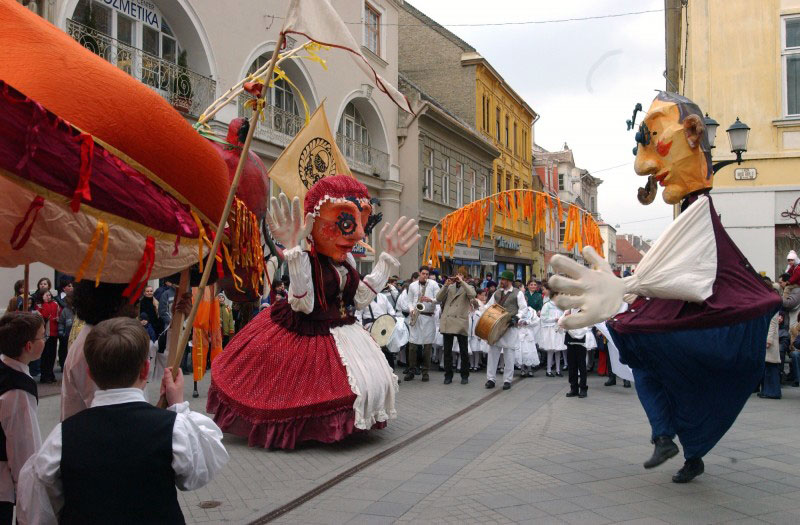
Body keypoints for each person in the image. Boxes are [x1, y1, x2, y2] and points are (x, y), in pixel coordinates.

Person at [550, 91, 781, 483]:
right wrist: (629, 290)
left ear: (691, 137)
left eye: (655, 144)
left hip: (704, 324)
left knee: (661, 368)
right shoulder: (690, 216)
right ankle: (669, 439)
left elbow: (692, 273)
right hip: (684, 322)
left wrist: (626, 286)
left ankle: (681, 445)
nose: (645, 166)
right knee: (642, 358)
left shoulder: (699, 216)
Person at [207, 176, 419, 449]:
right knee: (303, 389)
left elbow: (361, 298)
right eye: (346, 223)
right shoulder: (307, 260)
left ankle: (347, 426)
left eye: (362, 224)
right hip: (305, 329)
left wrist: (388, 259)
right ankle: (307, 430)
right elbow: (303, 304)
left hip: (342, 328)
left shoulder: (348, 261)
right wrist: (294, 252)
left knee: (361, 383)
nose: (359, 235)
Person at [17, 317, 229, 524]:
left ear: (89, 373)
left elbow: (38, 510)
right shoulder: (174, 428)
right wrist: (179, 407)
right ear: (145, 369)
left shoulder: (61, 438)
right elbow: (197, 474)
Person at [61, 281, 137, 421]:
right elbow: (117, 417)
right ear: (113, 303)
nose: (135, 305)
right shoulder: (96, 348)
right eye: (129, 298)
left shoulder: (100, 338)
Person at [0, 312, 44, 525]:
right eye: (41, 337)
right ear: (28, 346)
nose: (44, 341)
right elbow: (24, 448)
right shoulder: (18, 391)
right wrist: (27, 491)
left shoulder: (6, 368)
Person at [481, 270, 526, 390]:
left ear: (510, 281)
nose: (502, 281)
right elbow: (488, 306)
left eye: (504, 280)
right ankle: (490, 379)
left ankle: (507, 380)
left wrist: (517, 317)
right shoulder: (496, 293)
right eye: (501, 279)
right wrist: (480, 307)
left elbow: (523, 308)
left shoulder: (518, 293)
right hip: (496, 328)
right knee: (493, 353)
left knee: (509, 354)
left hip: (510, 327)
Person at [436, 268, 476, 385]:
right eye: (457, 274)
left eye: (461, 275)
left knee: (463, 351)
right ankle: (448, 375)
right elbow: (438, 298)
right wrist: (445, 285)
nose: (458, 276)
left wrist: (462, 282)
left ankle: (465, 375)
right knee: (447, 351)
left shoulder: (469, 287)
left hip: (460, 321)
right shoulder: (450, 287)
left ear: (465, 277)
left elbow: (472, 294)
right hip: (448, 321)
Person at [405, 266, 440, 382]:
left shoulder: (434, 284)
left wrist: (430, 300)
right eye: (423, 273)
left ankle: (425, 372)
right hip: (416, 316)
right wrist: (411, 310)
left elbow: (439, 299)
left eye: (427, 274)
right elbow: (409, 301)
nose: (425, 276)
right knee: (413, 346)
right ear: (419, 273)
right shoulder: (412, 286)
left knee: (427, 347)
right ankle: (411, 371)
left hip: (428, 317)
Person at [357, 286, 397, 371]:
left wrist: (392, 318)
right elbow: (358, 315)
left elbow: (391, 310)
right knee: (374, 352)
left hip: (384, 326)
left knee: (387, 350)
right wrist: (361, 328)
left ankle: (391, 373)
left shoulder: (383, 296)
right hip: (371, 327)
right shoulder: (363, 299)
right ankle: (377, 373)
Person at [34, 291, 60, 384]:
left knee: (52, 356)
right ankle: (45, 375)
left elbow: (58, 314)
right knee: (45, 355)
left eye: (49, 295)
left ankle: (50, 374)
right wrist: (45, 303)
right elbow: (45, 315)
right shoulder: (40, 305)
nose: (48, 297)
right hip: (45, 334)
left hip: (54, 332)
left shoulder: (55, 304)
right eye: (46, 295)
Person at [539, 289, 566, 377]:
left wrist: (561, 320)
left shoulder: (560, 306)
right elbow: (543, 317)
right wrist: (553, 319)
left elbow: (563, 315)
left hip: (558, 329)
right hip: (550, 329)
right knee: (551, 349)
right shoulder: (547, 305)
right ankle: (549, 370)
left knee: (558, 349)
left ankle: (558, 370)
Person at [564, 311, 589, 398]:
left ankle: (583, 388)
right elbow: (562, 326)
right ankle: (573, 388)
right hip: (570, 342)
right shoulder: (568, 311)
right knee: (572, 367)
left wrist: (569, 326)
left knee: (582, 367)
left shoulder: (583, 311)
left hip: (580, 343)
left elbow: (583, 329)